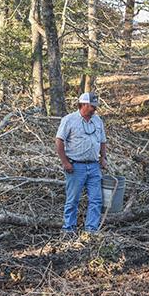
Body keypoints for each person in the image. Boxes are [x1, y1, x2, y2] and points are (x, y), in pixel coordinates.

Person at [55, 92, 107, 234]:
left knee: (96, 200)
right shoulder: (69, 120)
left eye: (95, 106)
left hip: (94, 166)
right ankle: (68, 230)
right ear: (83, 104)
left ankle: (91, 230)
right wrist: (65, 162)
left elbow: (102, 141)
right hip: (75, 166)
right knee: (73, 200)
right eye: (92, 106)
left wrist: (103, 158)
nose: (94, 109)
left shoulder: (98, 121)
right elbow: (59, 141)